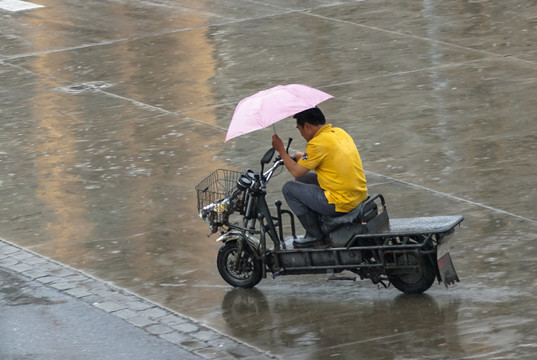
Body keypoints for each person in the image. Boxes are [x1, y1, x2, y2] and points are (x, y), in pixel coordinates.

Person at [271, 107, 367, 248]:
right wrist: (302, 156)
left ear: (307, 126)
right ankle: (322, 226)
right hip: (358, 194)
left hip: (341, 201)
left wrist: (281, 151)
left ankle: (314, 235)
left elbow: (296, 171)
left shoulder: (316, 144)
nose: (301, 134)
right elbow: (323, 157)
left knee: (289, 188)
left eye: (300, 129)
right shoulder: (339, 132)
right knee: (303, 181)